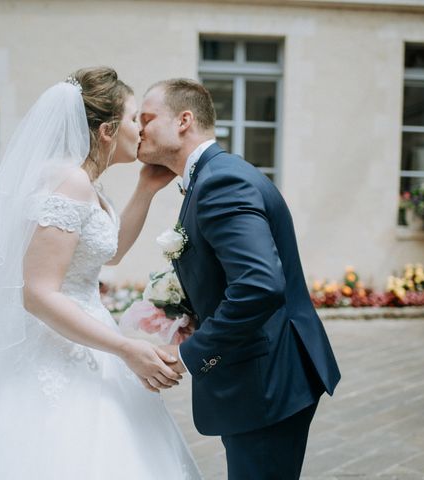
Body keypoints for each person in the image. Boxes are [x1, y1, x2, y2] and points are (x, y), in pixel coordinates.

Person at [0, 68, 201, 480]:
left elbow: (112, 252)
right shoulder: (69, 182)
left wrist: (146, 188)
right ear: (106, 130)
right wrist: (124, 349)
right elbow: (37, 294)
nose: (140, 128)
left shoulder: (87, 182)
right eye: (134, 117)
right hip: (55, 347)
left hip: (86, 333)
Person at [138, 78, 342, 480]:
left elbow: (258, 285)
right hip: (263, 372)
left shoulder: (220, 181)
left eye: (145, 118)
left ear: (184, 120)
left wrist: (191, 354)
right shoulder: (210, 177)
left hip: (267, 381)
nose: (137, 129)